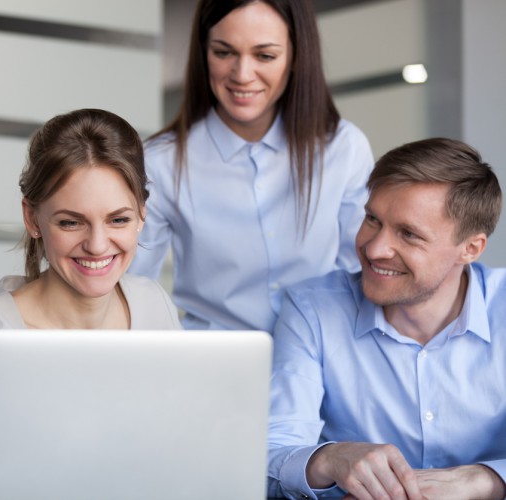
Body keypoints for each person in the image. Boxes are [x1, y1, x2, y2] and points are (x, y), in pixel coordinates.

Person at [267, 137, 506, 499]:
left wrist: (483, 480)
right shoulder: (311, 310)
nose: (374, 249)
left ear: (470, 248)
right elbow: (269, 456)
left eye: (409, 234)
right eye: (372, 220)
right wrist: (330, 459)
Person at [128, 0, 374, 331]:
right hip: (211, 363)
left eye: (265, 56)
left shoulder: (342, 147)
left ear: (297, 56)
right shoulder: (162, 160)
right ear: (203, 52)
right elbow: (131, 286)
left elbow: (361, 277)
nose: (242, 75)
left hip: (317, 360)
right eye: (224, 52)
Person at [0, 108, 181, 447]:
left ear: (143, 213)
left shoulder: (152, 302)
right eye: (71, 222)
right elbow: (40, 455)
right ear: (32, 218)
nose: (98, 246)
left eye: (118, 220)